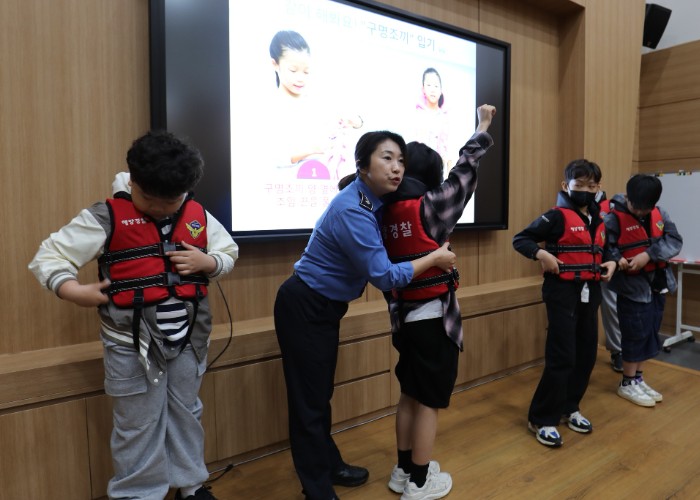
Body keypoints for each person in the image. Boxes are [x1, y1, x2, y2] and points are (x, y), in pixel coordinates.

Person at [28, 130, 239, 500]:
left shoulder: (198, 214)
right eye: (149, 200)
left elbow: (229, 251)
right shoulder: (104, 216)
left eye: (170, 202)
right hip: (130, 343)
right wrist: (72, 290)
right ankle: (138, 493)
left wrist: (209, 262)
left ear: (186, 190)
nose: (159, 209)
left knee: (186, 411)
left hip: (189, 339)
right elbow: (50, 256)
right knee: (138, 421)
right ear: (132, 182)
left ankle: (190, 485)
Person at [274, 130, 457, 500]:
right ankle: (317, 489)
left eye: (401, 160)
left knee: (318, 394)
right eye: (386, 158)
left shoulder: (371, 201)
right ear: (362, 166)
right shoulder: (353, 210)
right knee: (308, 402)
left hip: (323, 307)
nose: (396, 168)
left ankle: (328, 464)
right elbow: (385, 276)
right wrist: (435, 257)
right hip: (305, 305)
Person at [381, 104, 496, 500]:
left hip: (402, 319)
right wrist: (483, 124)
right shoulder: (430, 206)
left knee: (409, 394)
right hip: (433, 319)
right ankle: (419, 482)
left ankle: (402, 471)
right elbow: (465, 171)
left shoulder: (381, 211)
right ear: (430, 178)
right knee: (429, 401)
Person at [513, 159, 617, 447]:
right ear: (565, 185)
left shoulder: (599, 219)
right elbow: (521, 239)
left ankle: (569, 407)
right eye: (579, 184)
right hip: (562, 291)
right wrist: (541, 254)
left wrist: (611, 262)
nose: (586, 190)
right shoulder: (555, 217)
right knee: (562, 355)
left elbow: (605, 249)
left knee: (586, 353)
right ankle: (541, 417)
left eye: (592, 186)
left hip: (590, 290)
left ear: (599, 188)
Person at [604, 174, 683, 407]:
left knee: (649, 332)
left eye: (645, 209)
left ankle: (638, 378)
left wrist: (648, 255)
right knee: (634, 334)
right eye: (635, 207)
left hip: (657, 284)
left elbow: (675, 241)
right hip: (632, 289)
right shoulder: (613, 218)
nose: (639, 212)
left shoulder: (661, 214)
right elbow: (605, 247)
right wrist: (618, 259)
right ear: (627, 197)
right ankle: (627, 382)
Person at [269, 30, 362, 179]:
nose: (300, 78)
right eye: (293, 70)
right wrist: (311, 150)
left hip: (324, 183)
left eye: (306, 72)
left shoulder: (318, 103)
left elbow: (352, 121)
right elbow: (273, 157)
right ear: (275, 64)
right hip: (286, 184)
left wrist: (355, 121)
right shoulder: (270, 106)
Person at [596, 190, 624, 372]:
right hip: (583, 266)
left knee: (614, 307)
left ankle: (619, 351)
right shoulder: (568, 206)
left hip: (615, 263)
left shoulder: (615, 206)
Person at [413, 68, 449, 168]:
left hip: (439, 168)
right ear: (423, 89)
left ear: (441, 90)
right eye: (429, 85)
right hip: (419, 166)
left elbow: (448, 150)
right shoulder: (417, 114)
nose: (433, 90)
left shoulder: (445, 117)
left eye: (436, 86)